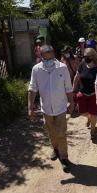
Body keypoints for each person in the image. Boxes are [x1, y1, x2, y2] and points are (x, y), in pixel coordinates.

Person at [28, 45, 74, 173]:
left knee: (61, 133)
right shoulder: (36, 70)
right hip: (46, 109)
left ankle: (64, 158)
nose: (48, 61)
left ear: (54, 56)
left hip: (60, 108)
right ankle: (55, 149)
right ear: (41, 57)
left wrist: (71, 101)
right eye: (45, 59)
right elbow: (32, 89)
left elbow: (68, 88)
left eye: (51, 58)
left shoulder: (62, 68)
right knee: (51, 132)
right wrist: (30, 107)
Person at [73, 48, 97, 140]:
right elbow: (77, 77)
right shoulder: (82, 64)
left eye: (87, 56)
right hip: (82, 93)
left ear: (92, 57)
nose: (85, 58)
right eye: (84, 56)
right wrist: (73, 90)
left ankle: (92, 130)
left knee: (94, 114)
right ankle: (89, 117)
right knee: (83, 112)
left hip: (94, 95)